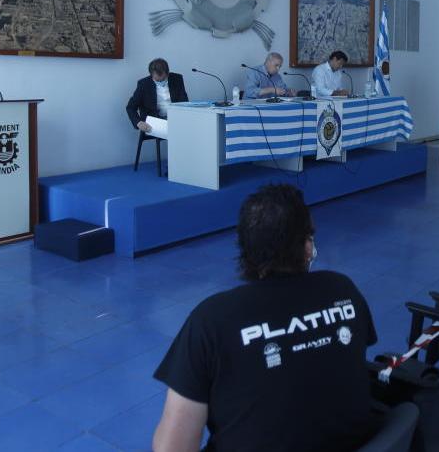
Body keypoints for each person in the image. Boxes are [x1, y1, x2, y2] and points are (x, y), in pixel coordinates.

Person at [152, 184, 377, 452]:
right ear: (307, 247)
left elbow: (172, 447)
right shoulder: (343, 290)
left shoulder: (210, 321)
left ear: (244, 249)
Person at [127, 58, 188, 134]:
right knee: (179, 133)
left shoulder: (177, 79)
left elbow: (184, 101)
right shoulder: (144, 84)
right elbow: (130, 107)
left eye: (163, 79)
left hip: (175, 118)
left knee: (193, 127)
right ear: (151, 74)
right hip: (155, 121)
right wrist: (138, 122)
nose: (161, 82)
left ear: (167, 73)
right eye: (157, 80)